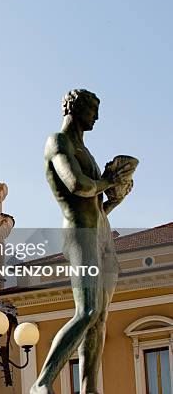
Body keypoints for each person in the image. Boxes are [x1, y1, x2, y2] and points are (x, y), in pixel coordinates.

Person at [32, 89, 136, 394]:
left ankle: (89, 389)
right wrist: (109, 182)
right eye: (93, 110)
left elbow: (96, 204)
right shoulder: (58, 142)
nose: (97, 117)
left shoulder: (85, 150)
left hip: (102, 232)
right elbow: (77, 185)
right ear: (75, 109)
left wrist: (118, 194)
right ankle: (41, 383)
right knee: (87, 312)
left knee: (100, 318)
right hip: (80, 234)